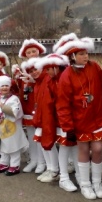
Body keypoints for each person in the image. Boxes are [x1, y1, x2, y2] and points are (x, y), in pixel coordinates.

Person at [56, 35, 102, 200]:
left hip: (98, 117)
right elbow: (62, 103)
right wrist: (68, 127)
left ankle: (97, 182)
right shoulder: (66, 75)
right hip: (79, 120)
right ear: (72, 56)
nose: (85, 56)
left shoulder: (95, 68)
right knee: (84, 150)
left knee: (98, 149)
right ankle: (85, 184)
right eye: (81, 54)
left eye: (86, 53)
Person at [35, 53, 80, 191]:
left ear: (56, 67)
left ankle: (78, 176)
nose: (47, 72)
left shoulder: (64, 78)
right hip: (60, 119)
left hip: (67, 118)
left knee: (72, 148)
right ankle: (64, 177)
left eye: (49, 68)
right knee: (65, 146)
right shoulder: (51, 80)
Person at [13, 38, 47, 173]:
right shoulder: (22, 69)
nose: (32, 54)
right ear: (25, 55)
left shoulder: (44, 66)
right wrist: (16, 80)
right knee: (31, 136)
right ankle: (34, 160)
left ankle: (43, 162)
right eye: (29, 52)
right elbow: (19, 89)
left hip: (39, 105)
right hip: (27, 105)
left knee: (40, 136)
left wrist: (33, 80)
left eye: (34, 51)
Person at [25, 57, 60, 183]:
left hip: (48, 117)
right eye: (31, 71)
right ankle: (50, 168)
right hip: (41, 117)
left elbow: (50, 101)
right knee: (42, 143)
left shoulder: (47, 79)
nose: (34, 72)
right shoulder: (38, 83)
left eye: (36, 69)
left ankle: (54, 170)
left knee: (49, 143)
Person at [0, 75, 29, 176]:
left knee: (13, 146)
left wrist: (3, 108)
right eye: (2, 86)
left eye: (6, 85)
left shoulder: (14, 98)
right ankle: (4, 162)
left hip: (12, 127)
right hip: (1, 127)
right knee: (3, 146)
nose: (4, 88)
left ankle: (15, 165)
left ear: (10, 86)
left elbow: (15, 112)